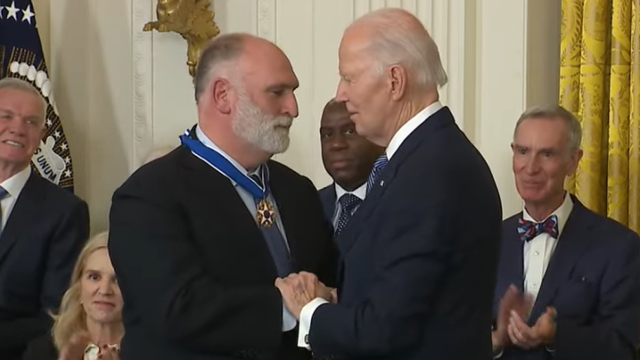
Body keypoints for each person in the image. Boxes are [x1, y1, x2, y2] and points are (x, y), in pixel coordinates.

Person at [275, 8, 503, 360]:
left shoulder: (432, 173)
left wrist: (309, 309)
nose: (340, 94)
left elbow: (385, 330)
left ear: (395, 81)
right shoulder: (421, 159)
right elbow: (406, 294)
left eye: (349, 78)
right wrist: (336, 299)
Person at [107, 33, 337, 360]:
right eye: (277, 92)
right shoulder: (148, 195)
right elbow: (175, 309)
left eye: (293, 92)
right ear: (223, 95)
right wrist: (287, 307)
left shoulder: (297, 189)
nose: (293, 108)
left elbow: (326, 281)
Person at [491, 105, 640, 360]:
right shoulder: (487, 240)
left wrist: (557, 336)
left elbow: (623, 349)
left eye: (547, 154)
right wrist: (496, 340)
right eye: (523, 152)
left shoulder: (620, 246)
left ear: (573, 161)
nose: (531, 167)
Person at [0, 78, 90, 360]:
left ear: (42, 136)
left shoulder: (64, 212)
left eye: (31, 122)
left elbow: (56, 316)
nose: (17, 128)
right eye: (6, 116)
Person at [22, 232, 123, 360]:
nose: (104, 290)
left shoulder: (152, 351)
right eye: (94, 277)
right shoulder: (42, 351)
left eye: (118, 280)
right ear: (79, 287)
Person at [317, 98, 384, 235]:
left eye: (349, 131)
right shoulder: (309, 206)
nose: (336, 144)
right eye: (328, 135)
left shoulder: (398, 202)